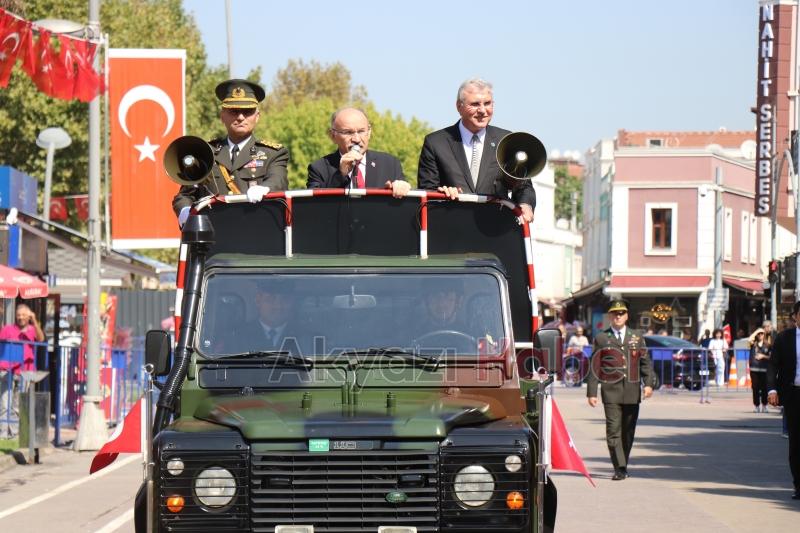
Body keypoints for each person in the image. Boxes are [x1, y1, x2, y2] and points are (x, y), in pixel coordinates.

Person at [417, 78, 535, 223]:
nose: (482, 110)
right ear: (459, 106)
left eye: (487, 103)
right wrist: (442, 194)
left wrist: (525, 204)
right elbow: (426, 192)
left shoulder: (507, 141)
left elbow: (524, 186)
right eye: (475, 104)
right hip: (450, 226)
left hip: (495, 228)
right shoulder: (436, 142)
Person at [172, 79, 289, 224]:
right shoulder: (205, 153)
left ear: (257, 117)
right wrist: (184, 211)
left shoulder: (273, 153)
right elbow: (185, 195)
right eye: (234, 111)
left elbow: (278, 181)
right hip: (214, 232)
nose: (240, 117)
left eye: (247, 112)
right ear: (222, 116)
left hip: (256, 229)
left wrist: (265, 188)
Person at [586, 300, 654, 480]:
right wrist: (592, 392)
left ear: (627, 316)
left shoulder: (637, 337)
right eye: (615, 313)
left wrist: (648, 383)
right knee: (613, 430)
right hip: (611, 391)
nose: (618, 316)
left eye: (621, 313)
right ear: (610, 316)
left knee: (628, 430)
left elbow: (645, 363)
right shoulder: (602, 338)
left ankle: (623, 462)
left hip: (632, 391)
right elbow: (595, 366)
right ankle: (620, 468)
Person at [307, 107, 410, 197]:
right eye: (348, 132)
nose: (356, 139)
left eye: (361, 131)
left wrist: (401, 188)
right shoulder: (319, 169)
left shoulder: (389, 164)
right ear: (333, 136)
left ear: (369, 133)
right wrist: (340, 175)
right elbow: (315, 206)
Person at [767, 301, 800, 499]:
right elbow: (773, 365)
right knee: (796, 441)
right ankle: (798, 484)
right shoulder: (784, 338)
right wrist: (772, 389)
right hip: (793, 394)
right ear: (795, 316)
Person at [0, 304, 44, 437]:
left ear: (28, 316)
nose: (21, 317)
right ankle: (3, 433)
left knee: (17, 405)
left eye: (24, 315)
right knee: (4, 404)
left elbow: (41, 338)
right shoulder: (8, 329)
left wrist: (34, 320)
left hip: (25, 371)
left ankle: (14, 433)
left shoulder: (32, 329)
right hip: (7, 370)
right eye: (18, 315)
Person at [748, 328, 770, 413]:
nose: (760, 335)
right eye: (759, 334)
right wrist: (757, 331)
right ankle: (756, 406)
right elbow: (749, 339)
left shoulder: (768, 345)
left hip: (764, 369)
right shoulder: (753, 344)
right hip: (754, 369)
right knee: (755, 388)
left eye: (762, 334)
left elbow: (771, 357)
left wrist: (763, 356)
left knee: (764, 388)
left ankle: (765, 405)